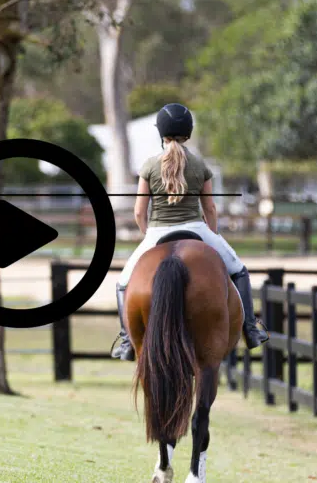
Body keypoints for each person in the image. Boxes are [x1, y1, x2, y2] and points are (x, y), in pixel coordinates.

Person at [110, 103, 269, 362]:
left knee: (123, 282)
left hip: (156, 232)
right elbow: (210, 207)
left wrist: (146, 234)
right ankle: (250, 329)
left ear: (161, 133)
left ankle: (127, 340)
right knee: (239, 270)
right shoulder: (199, 165)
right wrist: (213, 237)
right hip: (197, 228)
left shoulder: (149, 165)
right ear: (189, 132)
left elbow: (140, 211)